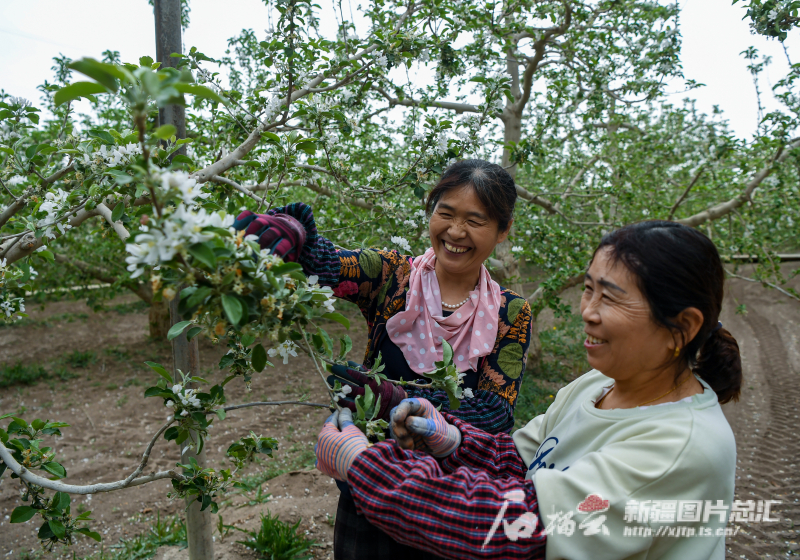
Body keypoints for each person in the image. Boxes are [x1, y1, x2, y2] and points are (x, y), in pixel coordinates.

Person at [315, 220, 742, 560]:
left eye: (610, 299)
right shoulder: (599, 385)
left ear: (682, 327)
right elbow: (522, 459)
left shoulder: (679, 448)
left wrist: (363, 464)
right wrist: (449, 438)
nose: (588, 313)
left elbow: (513, 525)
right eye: (588, 290)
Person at [234, 159, 533, 560]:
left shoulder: (510, 312)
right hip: (373, 477)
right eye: (445, 213)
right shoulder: (393, 276)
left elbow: (495, 415)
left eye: (475, 221)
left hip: (451, 500)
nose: (456, 232)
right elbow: (329, 266)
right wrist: (296, 230)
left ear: (502, 230)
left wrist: (395, 398)